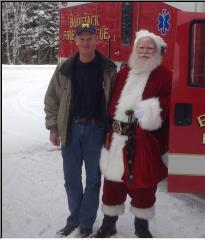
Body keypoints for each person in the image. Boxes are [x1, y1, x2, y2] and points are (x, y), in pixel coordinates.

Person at [92, 29, 172, 238]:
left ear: (157, 51)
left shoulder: (165, 75)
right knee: (112, 183)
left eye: (150, 48)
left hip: (143, 140)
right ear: (135, 49)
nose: (145, 52)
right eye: (142, 47)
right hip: (116, 138)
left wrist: (147, 110)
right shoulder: (124, 73)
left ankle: (141, 227)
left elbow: (171, 102)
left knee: (143, 186)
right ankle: (109, 224)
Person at [44, 23, 117, 237]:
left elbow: (115, 102)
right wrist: (53, 127)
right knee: (71, 178)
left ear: (97, 40)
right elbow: (52, 100)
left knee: (93, 179)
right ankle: (74, 219)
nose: (86, 42)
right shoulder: (64, 69)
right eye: (82, 38)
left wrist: (111, 132)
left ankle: (86, 222)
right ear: (75, 41)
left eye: (90, 38)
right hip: (71, 129)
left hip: (96, 129)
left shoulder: (109, 69)